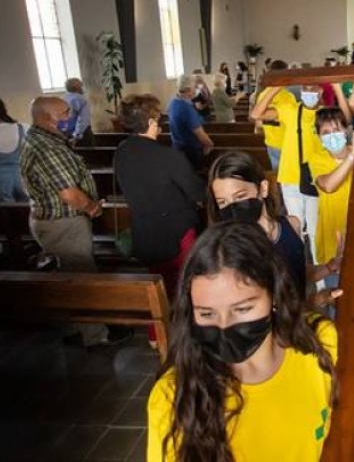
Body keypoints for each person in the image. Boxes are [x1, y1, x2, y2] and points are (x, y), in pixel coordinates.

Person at [147, 222, 338, 462]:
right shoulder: (173, 396)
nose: (224, 326)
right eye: (207, 313)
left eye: (242, 309)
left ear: (274, 295)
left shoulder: (319, 343)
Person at [19, 97, 112, 346]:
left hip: (51, 220)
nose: (69, 117)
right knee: (82, 278)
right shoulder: (48, 149)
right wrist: (92, 207)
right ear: (46, 118)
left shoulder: (40, 138)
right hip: (64, 223)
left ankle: (72, 328)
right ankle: (95, 336)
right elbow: (69, 193)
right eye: (64, 113)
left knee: (67, 275)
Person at [207, 151, 344, 304]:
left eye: (240, 196)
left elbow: (296, 273)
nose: (233, 207)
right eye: (223, 202)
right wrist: (317, 300)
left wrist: (329, 267)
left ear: (263, 188)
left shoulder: (292, 224)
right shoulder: (232, 250)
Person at [114, 94, 205, 294]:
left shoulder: (121, 151)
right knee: (184, 284)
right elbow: (197, 192)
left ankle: (160, 313)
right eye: (157, 117)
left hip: (145, 231)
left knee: (160, 286)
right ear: (150, 122)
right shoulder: (169, 156)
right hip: (175, 232)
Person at [251, 81, 349, 265]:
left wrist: (337, 88)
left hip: (316, 176)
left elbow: (346, 119)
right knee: (296, 226)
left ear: (321, 90)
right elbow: (256, 114)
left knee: (315, 229)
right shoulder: (290, 109)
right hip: (291, 176)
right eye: (305, 88)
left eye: (313, 88)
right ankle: (300, 268)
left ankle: (321, 271)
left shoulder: (323, 115)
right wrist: (277, 86)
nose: (309, 91)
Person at [308, 109, 354, 292]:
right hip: (333, 240)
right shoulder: (317, 158)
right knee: (336, 294)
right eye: (326, 132)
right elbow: (328, 185)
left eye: (336, 130)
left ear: (346, 130)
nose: (332, 136)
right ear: (319, 137)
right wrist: (352, 156)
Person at [168, 74, 215, 171]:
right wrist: (209, 144)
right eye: (195, 87)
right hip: (190, 152)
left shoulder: (173, 102)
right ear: (188, 90)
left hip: (177, 148)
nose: (197, 89)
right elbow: (199, 132)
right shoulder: (187, 108)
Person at [256, 60, 293, 174]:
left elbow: (259, 120)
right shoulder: (287, 96)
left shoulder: (263, 95)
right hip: (285, 141)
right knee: (287, 174)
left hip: (270, 140)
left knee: (276, 172)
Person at [0, 98, 29, 201]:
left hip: (2, 185)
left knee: (6, 210)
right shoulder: (23, 127)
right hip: (23, 179)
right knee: (28, 208)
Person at [62, 78, 94, 146]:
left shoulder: (64, 98)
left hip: (67, 132)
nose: (82, 88)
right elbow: (83, 120)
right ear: (76, 87)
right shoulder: (80, 99)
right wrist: (76, 136)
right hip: (82, 135)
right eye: (81, 85)